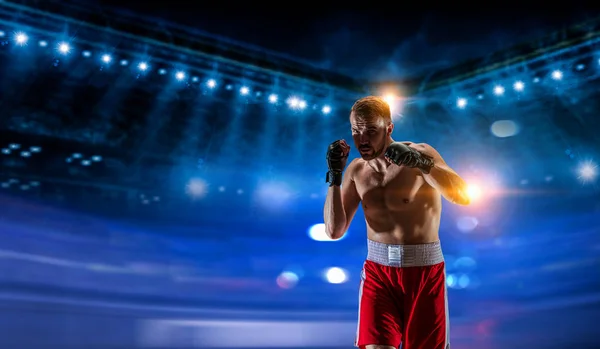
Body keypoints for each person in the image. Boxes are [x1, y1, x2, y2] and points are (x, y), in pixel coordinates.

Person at [323, 96, 471, 349]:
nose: (362, 139)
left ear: (389, 128)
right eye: (356, 131)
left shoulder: (421, 152)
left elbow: (463, 195)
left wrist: (422, 164)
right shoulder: (356, 171)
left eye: (371, 131)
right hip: (378, 274)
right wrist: (335, 176)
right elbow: (334, 231)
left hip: (424, 271)